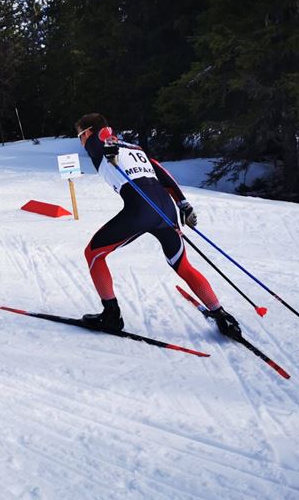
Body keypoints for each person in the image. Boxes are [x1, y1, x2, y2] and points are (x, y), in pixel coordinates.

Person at [75, 113, 240, 336]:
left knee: (93, 254)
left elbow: (102, 137)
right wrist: (184, 204)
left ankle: (111, 316)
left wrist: (106, 140)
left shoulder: (100, 142)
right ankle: (221, 316)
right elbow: (162, 174)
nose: (81, 142)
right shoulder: (135, 148)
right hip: (166, 210)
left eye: (80, 136)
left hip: (141, 209)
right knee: (183, 266)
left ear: (89, 132)